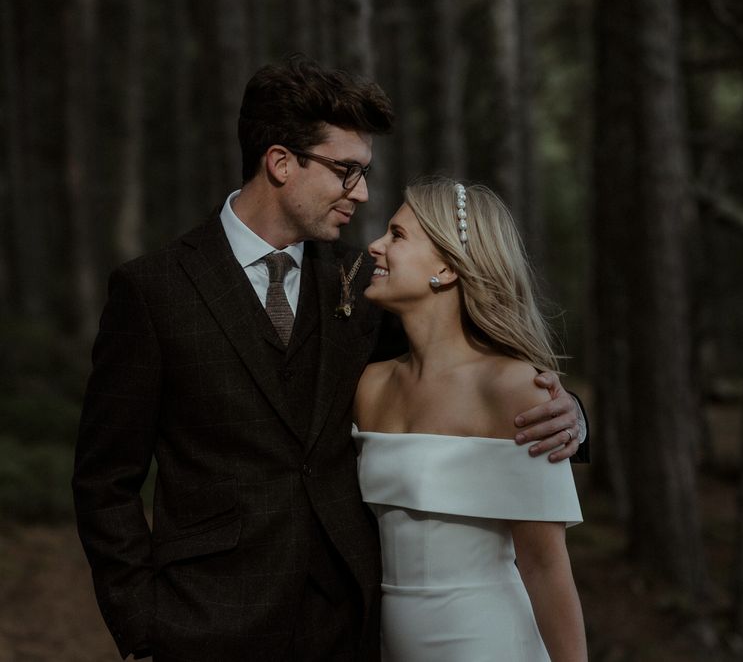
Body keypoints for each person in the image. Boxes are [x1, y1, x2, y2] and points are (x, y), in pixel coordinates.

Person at [72, 57, 585, 662]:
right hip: (204, 624)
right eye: (346, 170)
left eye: (364, 173)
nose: (361, 193)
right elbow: (105, 481)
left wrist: (569, 412)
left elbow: (459, 370)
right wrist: (142, 625)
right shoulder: (154, 290)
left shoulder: (366, 282)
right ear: (282, 163)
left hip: (351, 626)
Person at [354, 177, 587, 662]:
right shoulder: (369, 385)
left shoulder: (512, 389)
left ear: (445, 268)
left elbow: (545, 567)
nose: (374, 246)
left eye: (396, 236)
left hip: (488, 641)